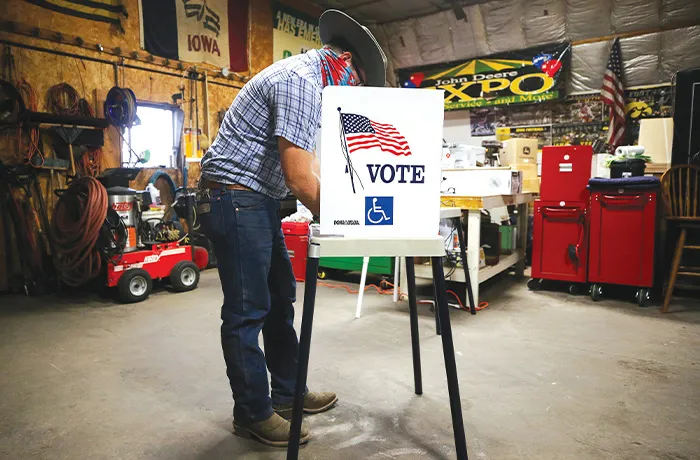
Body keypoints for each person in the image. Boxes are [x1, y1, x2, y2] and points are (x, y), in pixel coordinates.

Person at [196, 10, 387, 447]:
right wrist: (342, 222)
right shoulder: (301, 81)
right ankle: (252, 413)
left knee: (280, 298)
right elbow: (300, 178)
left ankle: (287, 394)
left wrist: (341, 203)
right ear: (342, 62)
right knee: (247, 310)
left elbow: (310, 165)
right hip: (235, 196)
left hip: (256, 198)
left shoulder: (311, 84)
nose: (352, 90)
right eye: (355, 81)